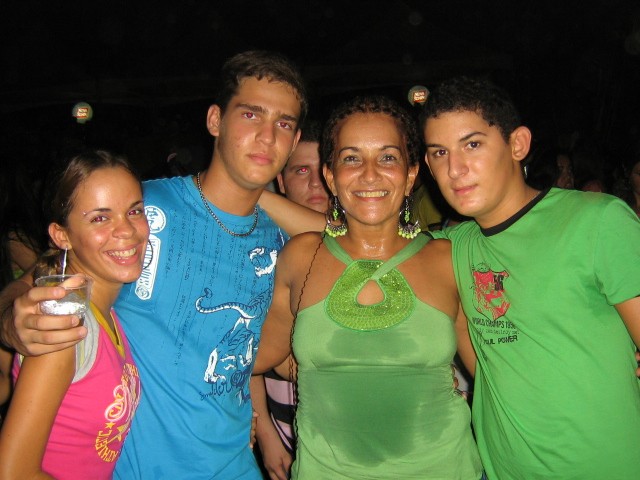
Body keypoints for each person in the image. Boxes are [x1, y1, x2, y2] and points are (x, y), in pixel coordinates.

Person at [0, 50, 308, 479]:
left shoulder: (279, 242)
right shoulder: (143, 210)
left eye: (284, 124)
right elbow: (45, 274)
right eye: (251, 115)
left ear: (294, 140)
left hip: (236, 463)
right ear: (215, 121)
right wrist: (11, 322)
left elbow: (256, 350)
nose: (267, 136)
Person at [420, 76, 640, 479]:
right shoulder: (448, 249)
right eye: (439, 152)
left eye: (472, 144)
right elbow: (353, 241)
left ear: (517, 144)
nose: (455, 168)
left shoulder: (597, 221)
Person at [254, 95, 482, 479]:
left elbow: (492, 374)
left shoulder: (447, 259)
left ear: (411, 174)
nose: (370, 174)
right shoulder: (300, 257)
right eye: (352, 158)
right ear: (331, 176)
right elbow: (257, 356)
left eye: (388, 157)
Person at [0, 150, 147, 479]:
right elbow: (14, 473)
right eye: (100, 218)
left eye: (134, 211)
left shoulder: (105, 317)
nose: (127, 230)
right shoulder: (64, 328)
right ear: (61, 236)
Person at [252, 119, 329, 480]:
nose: (315, 182)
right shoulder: (259, 246)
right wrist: (266, 434)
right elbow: (243, 344)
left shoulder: (371, 236)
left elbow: (335, 237)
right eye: (300, 170)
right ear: (281, 182)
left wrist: (246, 187)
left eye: (323, 168)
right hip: (287, 430)